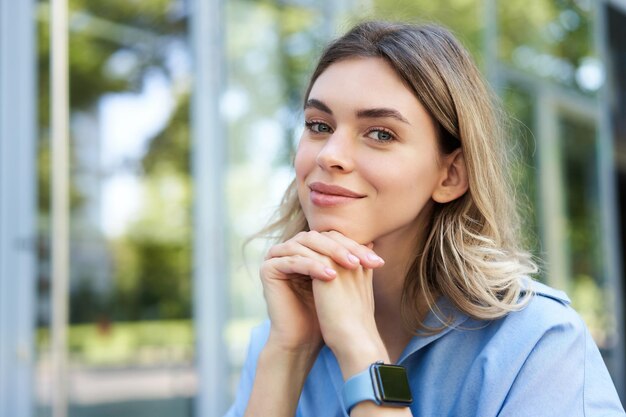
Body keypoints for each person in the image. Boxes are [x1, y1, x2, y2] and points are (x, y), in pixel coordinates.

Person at [224, 20, 625, 417]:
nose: (329, 154)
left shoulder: (540, 343)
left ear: (450, 175)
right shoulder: (281, 335)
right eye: (318, 125)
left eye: (380, 133)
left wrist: (360, 347)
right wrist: (287, 354)